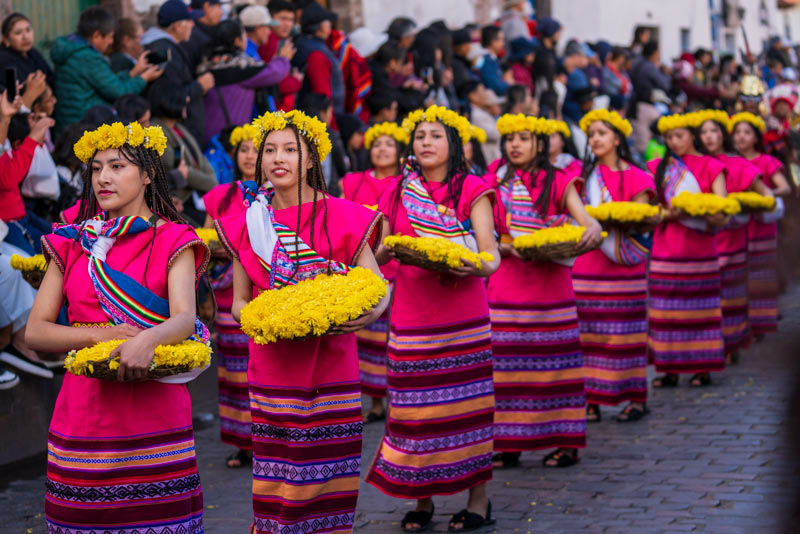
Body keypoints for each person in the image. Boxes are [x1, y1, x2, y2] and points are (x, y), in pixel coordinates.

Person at [26, 121, 209, 533]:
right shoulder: (72, 243)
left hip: (154, 411)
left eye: (118, 166)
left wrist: (150, 338)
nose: (103, 178)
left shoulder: (175, 238)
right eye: (96, 168)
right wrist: (106, 335)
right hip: (83, 412)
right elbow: (36, 332)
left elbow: (184, 316)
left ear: (147, 175)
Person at [215, 110, 387, 534]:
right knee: (278, 479)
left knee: (328, 476)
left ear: (311, 159)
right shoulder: (248, 223)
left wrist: (364, 313)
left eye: (290, 149)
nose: (278, 158)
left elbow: (378, 288)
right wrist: (268, 317)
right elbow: (239, 302)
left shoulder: (346, 215)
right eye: (270, 150)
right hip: (273, 364)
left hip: (332, 364)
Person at [366, 106, 500, 533]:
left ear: (454, 144)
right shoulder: (398, 191)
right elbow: (381, 250)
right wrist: (393, 251)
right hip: (412, 314)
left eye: (435, 136)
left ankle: (478, 500)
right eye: (420, 135)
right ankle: (420, 499)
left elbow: (490, 255)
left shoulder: (472, 188)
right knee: (414, 409)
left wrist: (473, 266)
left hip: (463, 313)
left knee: (468, 408)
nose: (425, 142)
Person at [485, 114, 601, 469]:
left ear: (540, 143)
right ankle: (507, 443)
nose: (514, 145)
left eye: (523, 138)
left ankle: (565, 440)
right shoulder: (493, 179)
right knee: (506, 368)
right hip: (505, 283)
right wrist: (500, 248)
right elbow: (482, 231)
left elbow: (588, 224)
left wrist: (589, 234)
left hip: (551, 287)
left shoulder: (561, 181)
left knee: (556, 367)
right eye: (510, 139)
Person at [572, 110, 655, 422]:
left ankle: (634, 396)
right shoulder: (583, 179)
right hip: (588, 264)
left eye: (601, 134)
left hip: (623, 263)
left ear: (617, 139)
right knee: (588, 334)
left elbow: (644, 216)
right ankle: (591, 398)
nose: (594, 140)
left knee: (624, 334)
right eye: (591, 134)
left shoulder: (637, 176)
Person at [647, 112, 728, 388]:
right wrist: (669, 215)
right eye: (669, 137)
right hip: (666, 246)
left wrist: (695, 211)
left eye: (679, 136)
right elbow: (649, 206)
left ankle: (701, 366)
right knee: (665, 310)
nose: (674, 141)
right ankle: (668, 368)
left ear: (692, 136)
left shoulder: (711, 165)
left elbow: (722, 207)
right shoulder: (660, 167)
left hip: (699, 246)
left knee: (699, 309)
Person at [340, 122, 407, 423]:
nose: (381, 149)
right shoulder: (352, 182)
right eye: (376, 143)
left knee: (391, 338)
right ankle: (375, 401)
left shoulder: (405, 185)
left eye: (388, 144)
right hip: (357, 270)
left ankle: (399, 397)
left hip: (394, 269)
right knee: (366, 337)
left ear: (400, 152)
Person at [202, 123, 258, 469]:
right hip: (226, 290)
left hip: (263, 287)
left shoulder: (274, 193)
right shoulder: (221, 194)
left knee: (261, 367)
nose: (250, 155)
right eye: (245, 149)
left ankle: (269, 438)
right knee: (234, 372)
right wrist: (219, 247)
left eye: (258, 149)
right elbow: (205, 235)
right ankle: (243, 443)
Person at [699, 111, 775, 362]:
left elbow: (767, 197)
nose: (709, 137)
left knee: (731, 294)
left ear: (723, 133)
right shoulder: (689, 166)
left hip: (732, 240)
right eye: (703, 132)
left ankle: (731, 343)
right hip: (700, 241)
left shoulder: (739, 164)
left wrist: (742, 207)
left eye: (714, 131)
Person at [51, 6, 161, 134]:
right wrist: (144, 78)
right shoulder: (87, 57)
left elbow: (108, 82)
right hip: (83, 128)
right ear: (96, 36)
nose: (111, 42)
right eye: (109, 37)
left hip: (71, 124)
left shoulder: (73, 47)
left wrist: (134, 72)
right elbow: (118, 92)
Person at [731, 112, 791, 340]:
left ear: (756, 137)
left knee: (760, 272)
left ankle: (760, 320)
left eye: (747, 132)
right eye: (737, 132)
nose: (741, 137)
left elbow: (783, 188)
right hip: (738, 226)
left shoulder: (766, 162)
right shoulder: (729, 162)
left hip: (762, 226)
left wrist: (762, 197)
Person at [198, 19, 293, 146]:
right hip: (231, 137)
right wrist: (283, 59)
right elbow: (273, 73)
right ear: (237, 40)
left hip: (205, 134)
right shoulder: (241, 66)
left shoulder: (206, 64)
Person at [142, 0, 214, 146]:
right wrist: (199, 86)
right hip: (175, 134)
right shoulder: (164, 51)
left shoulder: (167, 47)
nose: (193, 24)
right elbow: (166, 96)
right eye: (189, 20)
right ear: (176, 26)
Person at [150, 85, 218, 226]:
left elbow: (200, 161)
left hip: (195, 195)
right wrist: (208, 180)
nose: (187, 100)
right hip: (180, 200)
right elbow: (172, 166)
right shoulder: (156, 130)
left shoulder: (179, 128)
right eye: (183, 98)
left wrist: (209, 179)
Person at [293, 2, 345, 126]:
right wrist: (327, 125)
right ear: (320, 27)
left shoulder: (308, 45)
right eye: (327, 22)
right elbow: (322, 94)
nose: (330, 25)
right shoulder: (316, 54)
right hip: (321, 121)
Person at [258, 0, 303, 112]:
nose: (288, 24)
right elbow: (275, 81)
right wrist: (296, 81)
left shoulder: (280, 40)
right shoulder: (269, 42)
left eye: (291, 20)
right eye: (283, 18)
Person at [629, 41, 670, 154]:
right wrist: (665, 73)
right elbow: (664, 85)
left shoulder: (636, 63)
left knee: (639, 140)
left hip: (634, 105)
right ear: (654, 53)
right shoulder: (649, 66)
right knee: (644, 145)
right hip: (645, 105)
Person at [0, 13, 55, 95]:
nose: (25, 36)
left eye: (28, 30)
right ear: (6, 40)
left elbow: (50, 79)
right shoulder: (4, 60)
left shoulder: (33, 53)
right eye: (18, 33)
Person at [532, 16, 561, 117]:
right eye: (557, 32)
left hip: (551, 96)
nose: (559, 35)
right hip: (543, 100)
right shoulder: (540, 53)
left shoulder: (551, 51)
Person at [183, 0, 224, 69]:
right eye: (219, 7)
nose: (222, 13)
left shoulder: (204, 29)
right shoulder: (194, 36)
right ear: (207, 6)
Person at [478, 25, 510, 98]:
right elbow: (494, 86)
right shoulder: (485, 60)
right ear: (492, 41)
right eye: (501, 40)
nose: (503, 43)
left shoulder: (492, 58)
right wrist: (509, 86)